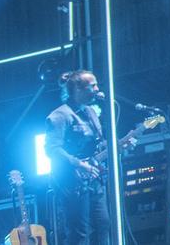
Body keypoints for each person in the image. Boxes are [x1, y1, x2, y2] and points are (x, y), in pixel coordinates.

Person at [45, 70, 109, 245]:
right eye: (93, 85)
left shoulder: (91, 112)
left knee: (103, 225)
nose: (97, 88)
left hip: (94, 180)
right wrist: (79, 164)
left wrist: (123, 145)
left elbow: (99, 144)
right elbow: (52, 149)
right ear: (78, 90)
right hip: (71, 182)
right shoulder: (60, 115)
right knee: (79, 233)